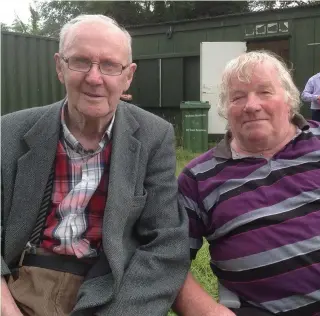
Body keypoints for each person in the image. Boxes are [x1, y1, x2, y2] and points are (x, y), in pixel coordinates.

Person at [1, 15, 190, 316]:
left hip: (107, 289)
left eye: (109, 65)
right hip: (18, 281)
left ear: (128, 75)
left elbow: (166, 243)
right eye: (80, 61)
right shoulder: (9, 131)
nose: (94, 77)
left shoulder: (154, 136)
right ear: (59, 67)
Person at [173, 51, 320, 316]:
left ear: (289, 101)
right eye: (238, 97)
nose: (251, 105)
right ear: (225, 109)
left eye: (264, 92)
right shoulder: (198, 179)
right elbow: (166, 264)